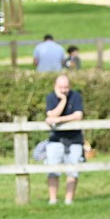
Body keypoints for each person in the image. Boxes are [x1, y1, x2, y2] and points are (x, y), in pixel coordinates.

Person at [43, 74, 84, 205]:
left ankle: (68, 200)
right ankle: (53, 200)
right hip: (55, 139)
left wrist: (58, 120)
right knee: (52, 170)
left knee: (73, 171)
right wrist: (63, 101)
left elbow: (78, 116)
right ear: (55, 86)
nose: (64, 90)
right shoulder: (51, 97)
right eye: (61, 87)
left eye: (66, 87)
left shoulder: (76, 96)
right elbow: (51, 115)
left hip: (74, 139)